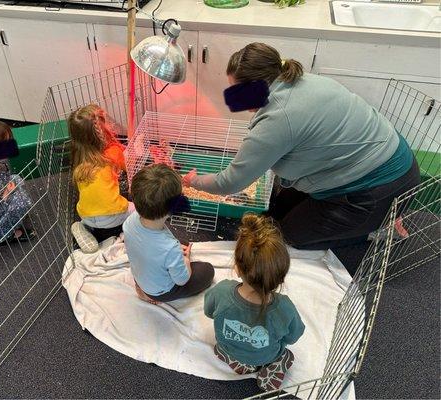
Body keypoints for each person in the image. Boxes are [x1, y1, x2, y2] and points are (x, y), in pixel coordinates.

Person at [184, 43, 420, 250]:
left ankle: (374, 230)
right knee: (276, 209)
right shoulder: (297, 79)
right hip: (393, 158)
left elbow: (230, 182)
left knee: (288, 236)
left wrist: (192, 181)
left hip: (379, 187)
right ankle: (377, 216)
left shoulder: (278, 118)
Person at [204, 213, 304, 392]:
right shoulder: (284, 308)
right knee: (285, 352)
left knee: (222, 346)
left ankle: (236, 360)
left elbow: (208, 311)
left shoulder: (221, 291)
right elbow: (293, 336)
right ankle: (273, 365)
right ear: (280, 278)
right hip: (265, 355)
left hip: (229, 346)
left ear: (237, 268)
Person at [123, 164, 215, 304]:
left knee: (182, 243)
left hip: (141, 276)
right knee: (208, 271)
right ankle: (151, 296)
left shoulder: (129, 222)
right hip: (161, 291)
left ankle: (142, 287)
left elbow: (153, 247)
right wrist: (185, 261)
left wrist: (174, 251)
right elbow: (182, 280)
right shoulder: (169, 248)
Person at [68, 104, 133, 252]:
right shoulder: (113, 153)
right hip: (114, 215)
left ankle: (83, 227)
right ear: (103, 129)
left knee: (93, 206)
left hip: (87, 216)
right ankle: (124, 231)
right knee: (139, 210)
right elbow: (128, 164)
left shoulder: (79, 162)